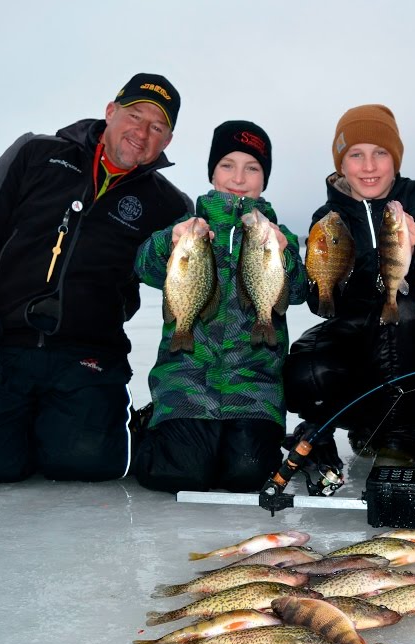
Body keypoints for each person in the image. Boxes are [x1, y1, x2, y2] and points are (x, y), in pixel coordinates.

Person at [0, 73, 193, 486]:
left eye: (157, 126)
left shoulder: (170, 205)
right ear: (110, 112)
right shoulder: (35, 153)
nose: (141, 132)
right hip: (1, 344)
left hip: (87, 356)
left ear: (167, 141)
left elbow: (193, 282)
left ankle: (69, 426)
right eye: (134, 115)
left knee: (91, 463)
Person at [131, 121, 307, 494]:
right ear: (212, 171)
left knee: (246, 475)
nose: (238, 177)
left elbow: (298, 292)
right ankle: (148, 428)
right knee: (179, 475)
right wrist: (168, 241)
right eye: (227, 165)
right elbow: (143, 267)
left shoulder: (280, 237)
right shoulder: (185, 228)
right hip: (186, 384)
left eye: (252, 168)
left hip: (254, 391)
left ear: (264, 178)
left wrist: (284, 253)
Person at [283, 104, 415, 468]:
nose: (368, 166)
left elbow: (413, 281)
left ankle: (401, 441)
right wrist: (323, 278)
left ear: (395, 159)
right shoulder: (327, 219)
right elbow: (321, 303)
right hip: (353, 327)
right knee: (306, 372)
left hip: (408, 329)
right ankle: (363, 425)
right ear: (341, 163)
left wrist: (410, 249)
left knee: (403, 316)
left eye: (379, 153)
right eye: (356, 155)